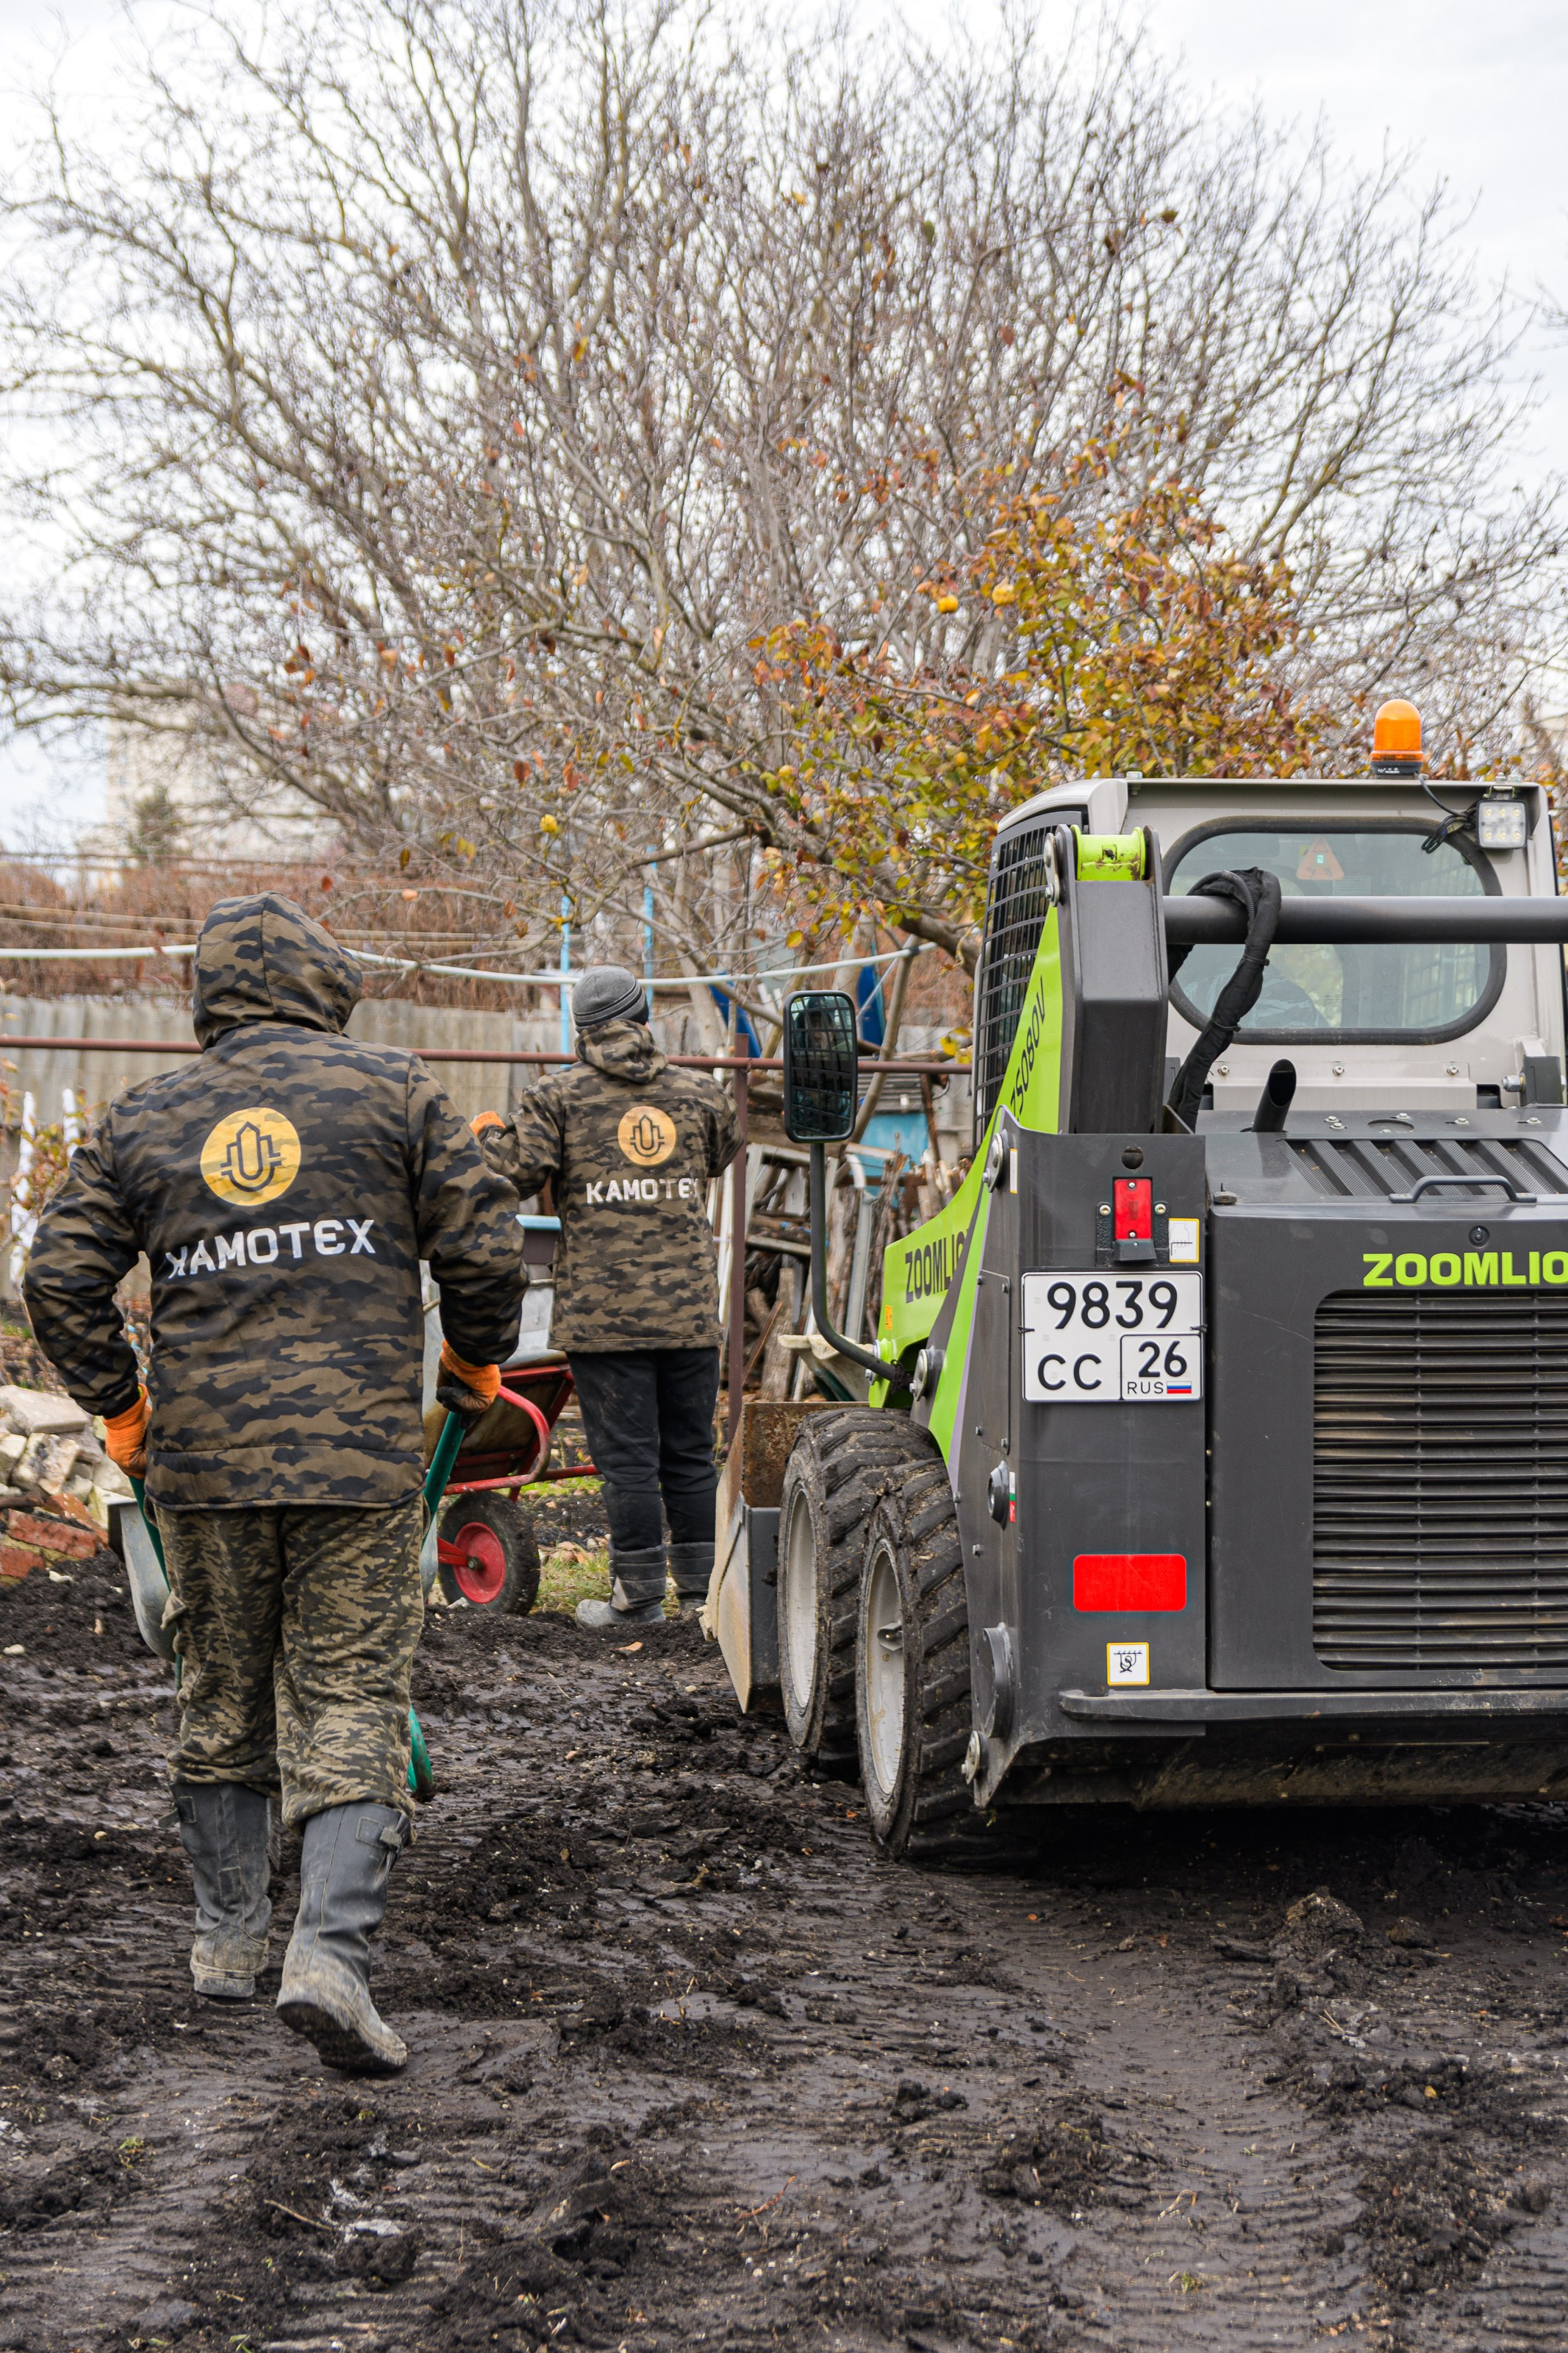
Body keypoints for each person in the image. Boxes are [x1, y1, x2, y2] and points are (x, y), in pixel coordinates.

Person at [22, 893, 524, 2076]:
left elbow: (56, 1279)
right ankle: (330, 1961)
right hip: (359, 1460)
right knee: (351, 1694)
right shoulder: (396, 1091)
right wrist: (470, 1358)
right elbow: (486, 1246)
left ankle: (228, 1944)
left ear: (207, 999)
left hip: (201, 1464)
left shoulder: (145, 1116)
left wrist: (125, 1409)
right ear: (325, 983)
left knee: (222, 1689)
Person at [475, 963, 740, 1628]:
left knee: (627, 1459)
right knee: (688, 1452)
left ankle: (637, 1598)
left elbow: (513, 1170)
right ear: (645, 1014)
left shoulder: (554, 1097)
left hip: (605, 1315)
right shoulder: (701, 1093)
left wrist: (484, 1133)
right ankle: (703, 1600)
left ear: (581, 1030)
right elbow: (721, 1154)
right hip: (686, 1309)